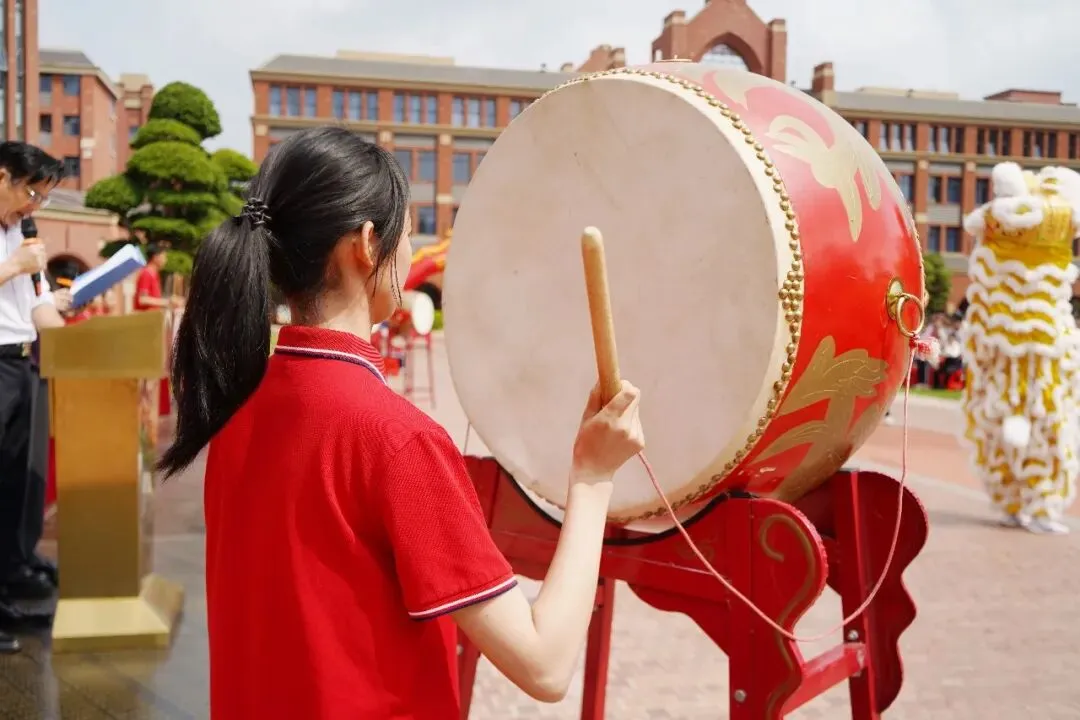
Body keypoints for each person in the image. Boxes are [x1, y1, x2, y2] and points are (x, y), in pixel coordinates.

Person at [160, 127, 646, 719]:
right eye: (409, 232)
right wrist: (592, 478)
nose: (412, 252)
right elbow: (544, 664)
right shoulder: (396, 439)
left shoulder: (238, 406)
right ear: (367, 244)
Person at [0, 142, 70, 654]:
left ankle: (10, 577)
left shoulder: (22, 236)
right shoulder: (18, 251)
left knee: (18, 481)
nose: (34, 206)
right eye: (31, 192)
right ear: (2, 177)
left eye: (43, 198)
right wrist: (14, 266)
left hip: (24, 363)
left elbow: (39, 311)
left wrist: (67, 318)